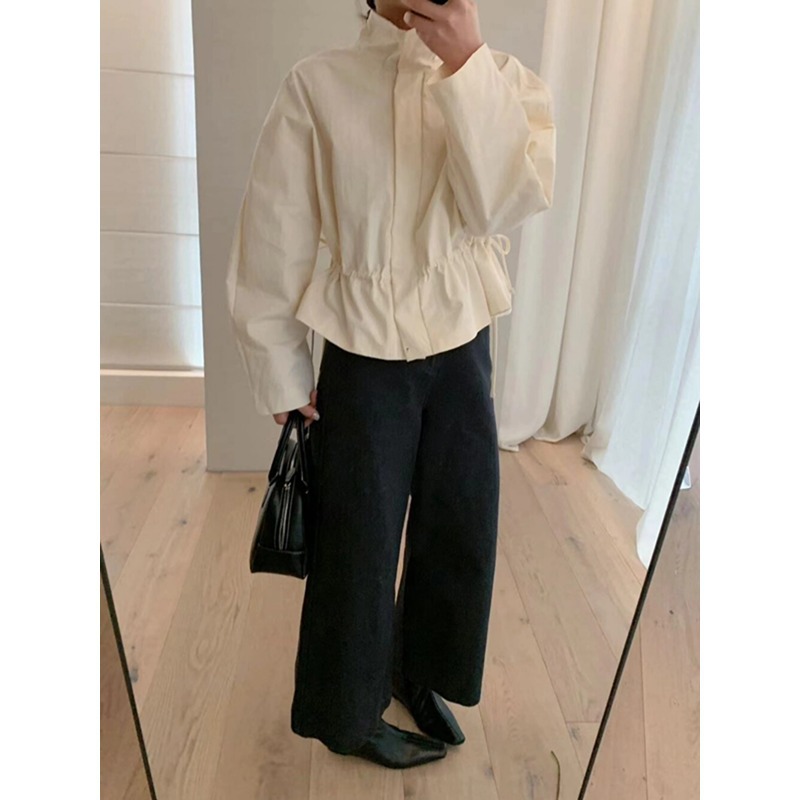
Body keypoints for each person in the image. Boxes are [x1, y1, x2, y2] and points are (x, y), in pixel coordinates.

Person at [225, 0, 555, 769]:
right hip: (362, 352)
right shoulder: (318, 86)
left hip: (463, 342)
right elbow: (274, 232)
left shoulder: (505, 81)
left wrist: (467, 68)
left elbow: (505, 203)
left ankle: (421, 670)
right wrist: (281, 366)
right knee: (358, 539)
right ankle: (348, 714)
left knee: (460, 522)